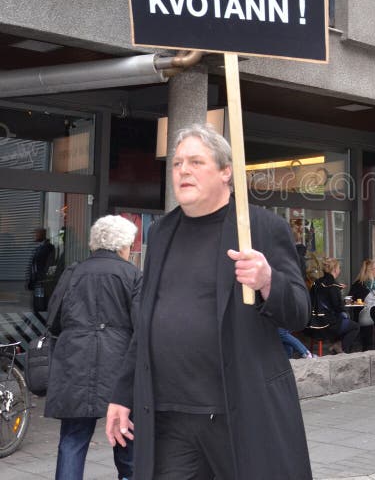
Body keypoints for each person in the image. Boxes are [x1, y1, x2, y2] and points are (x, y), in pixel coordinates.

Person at [105, 123, 312, 480]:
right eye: (177, 163)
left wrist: (267, 281)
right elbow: (147, 323)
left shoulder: (260, 228)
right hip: (171, 418)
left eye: (195, 162)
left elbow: (298, 312)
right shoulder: (163, 231)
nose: (183, 170)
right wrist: (123, 393)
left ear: (225, 171)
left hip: (239, 415)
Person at [46, 215, 140, 480]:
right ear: (122, 246)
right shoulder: (133, 275)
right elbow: (141, 325)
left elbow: (53, 319)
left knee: (73, 439)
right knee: (126, 436)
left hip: (74, 362)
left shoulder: (73, 272)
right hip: (119, 364)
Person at [311, 256, 359, 353]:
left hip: (313, 323)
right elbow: (338, 307)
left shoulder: (317, 282)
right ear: (335, 269)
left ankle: (336, 347)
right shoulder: (333, 285)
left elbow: (319, 298)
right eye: (339, 268)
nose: (339, 270)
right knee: (354, 326)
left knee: (342, 320)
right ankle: (340, 348)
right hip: (326, 325)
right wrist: (342, 302)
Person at [28, 227, 55, 311]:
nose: (34, 235)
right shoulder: (40, 247)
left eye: (36, 233)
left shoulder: (48, 247)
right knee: (38, 302)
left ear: (42, 234)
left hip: (42, 281)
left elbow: (51, 264)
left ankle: (41, 320)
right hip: (38, 281)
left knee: (40, 304)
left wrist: (47, 278)